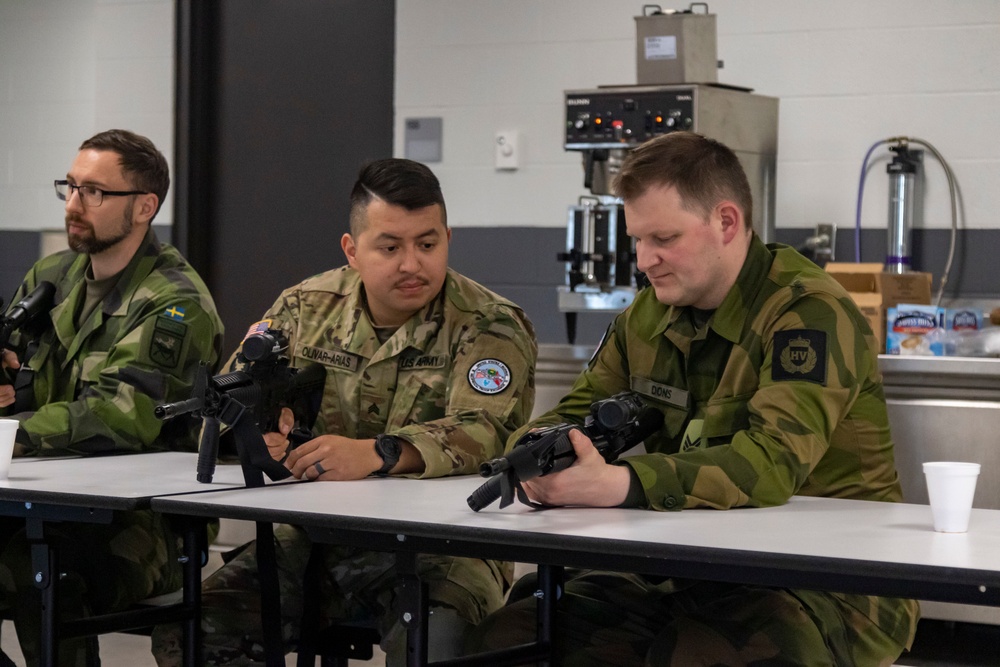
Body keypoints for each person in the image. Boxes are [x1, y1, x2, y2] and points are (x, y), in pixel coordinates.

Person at [469, 131, 919, 666]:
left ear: (726, 222)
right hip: (689, 564)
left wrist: (618, 483)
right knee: (517, 635)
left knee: (698, 654)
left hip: (829, 579)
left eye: (663, 238)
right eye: (637, 239)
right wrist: (539, 454)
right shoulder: (649, 314)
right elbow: (573, 412)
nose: (644, 260)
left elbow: (772, 462)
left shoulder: (807, 313)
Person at [152, 157, 537, 666]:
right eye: (390, 246)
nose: (411, 264)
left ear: (448, 237)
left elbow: (487, 430)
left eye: (427, 244)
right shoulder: (305, 307)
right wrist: (255, 435)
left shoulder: (489, 323)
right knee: (191, 632)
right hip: (318, 538)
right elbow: (234, 395)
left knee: (437, 643)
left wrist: (378, 453)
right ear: (352, 251)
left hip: (445, 546)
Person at [0, 129, 224, 665]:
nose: (74, 206)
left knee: (40, 572)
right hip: (45, 498)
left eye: (95, 192)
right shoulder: (52, 275)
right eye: (71, 187)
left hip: (146, 527)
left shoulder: (175, 302)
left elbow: (119, 416)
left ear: (144, 206)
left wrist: (15, 432)